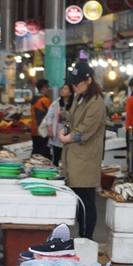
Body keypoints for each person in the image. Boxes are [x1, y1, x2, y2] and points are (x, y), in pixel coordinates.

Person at [59, 61, 107, 240]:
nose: (74, 86)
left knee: (86, 203)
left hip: (85, 161)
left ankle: (86, 240)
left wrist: (66, 137)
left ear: (88, 80)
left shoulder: (96, 103)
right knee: (78, 203)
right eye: (72, 83)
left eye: (77, 83)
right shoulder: (80, 99)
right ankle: (81, 239)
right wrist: (65, 128)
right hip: (74, 159)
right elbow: (72, 121)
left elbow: (84, 131)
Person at [44, 83, 73, 167]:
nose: (63, 90)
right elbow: (49, 116)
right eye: (62, 88)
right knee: (56, 154)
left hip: (68, 128)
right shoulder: (56, 103)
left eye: (66, 89)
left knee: (67, 154)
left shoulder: (74, 104)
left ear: (70, 93)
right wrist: (49, 128)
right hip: (57, 129)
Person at [30, 78, 51, 159]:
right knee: (43, 154)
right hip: (42, 131)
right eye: (47, 87)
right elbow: (52, 112)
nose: (48, 89)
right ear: (44, 88)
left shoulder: (34, 99)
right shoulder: (44, 100)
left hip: (34, 130)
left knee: (35, 151)